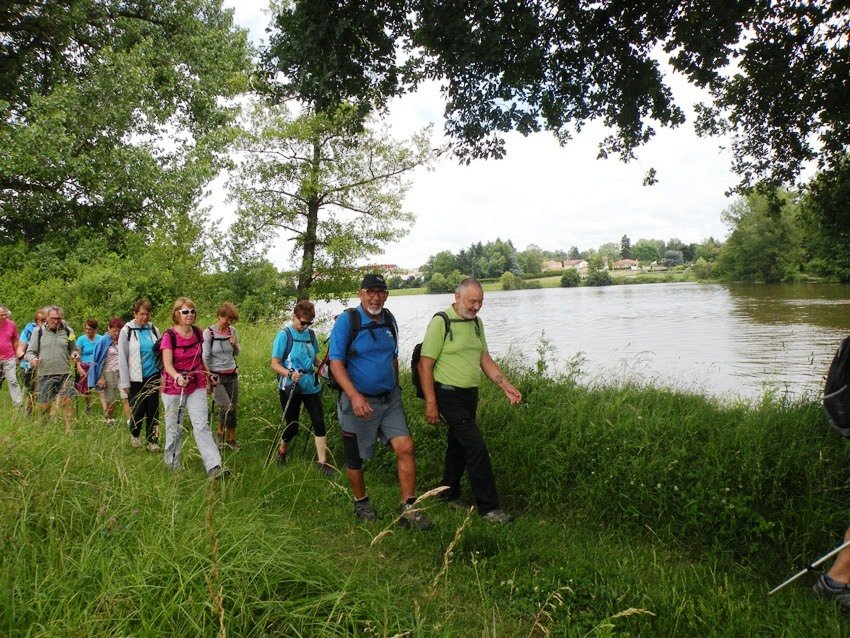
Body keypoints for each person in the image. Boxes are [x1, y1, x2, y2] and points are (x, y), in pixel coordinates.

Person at [328, 273, 431, 528]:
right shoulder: (347, 321)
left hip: (389, 399)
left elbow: (393, 356)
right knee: (355, 458)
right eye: (370, 291)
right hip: (357, 401)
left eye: (381, 292)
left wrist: (395, 386)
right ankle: (361, 503)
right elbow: (336, 362)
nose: (375, 297)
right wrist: (354, 395)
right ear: (360, 294)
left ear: (386, 294)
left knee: (405, 447)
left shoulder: (389, 319)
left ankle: (409, 507)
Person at [417, 277, 522, 524]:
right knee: (476, 447)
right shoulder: (441, 322)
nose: (475, 306)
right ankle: (490, 509)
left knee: (458, 445)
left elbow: (484, 358)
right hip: (447, 393)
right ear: (457, 297)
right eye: (471, 301)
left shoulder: (476, 324)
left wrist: (506, 387)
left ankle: (448, 494)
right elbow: (425, 365)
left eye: (480, 302)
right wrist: (431, 402)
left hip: (469, 394)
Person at [160, 297, 228, 479]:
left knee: (202, 425)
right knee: (174, 427)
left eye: (192, 311)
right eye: (185, 311)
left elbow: (200, 359)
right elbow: (167, 364)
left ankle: (214, 467)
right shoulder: (169, 336)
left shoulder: (198, 332)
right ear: (176, 314)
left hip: (196, 383)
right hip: (173, 387)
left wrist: (208, 375)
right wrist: (177, 377)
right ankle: (172, 466)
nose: (189, 315)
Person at [271, 300, 335, 475]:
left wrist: (326, 371)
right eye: (302, 322)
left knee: (319, 422)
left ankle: (322, 464)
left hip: (310, 384)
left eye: (308, 323)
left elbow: (314, 359)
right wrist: (289, 373)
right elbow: (275, 364)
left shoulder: (311, 335)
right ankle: (282, 450)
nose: (304, 326)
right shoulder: (284, 335)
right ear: (294, 317)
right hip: (290, 385)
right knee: (293, 426)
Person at [24, 305, 79, 432]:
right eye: (53, 318)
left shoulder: (67, 331)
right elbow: (29, 352)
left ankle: (69, 430)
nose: (56, 321)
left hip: (65, 373)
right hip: (45, 374)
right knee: (44, 406)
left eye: (59, 318)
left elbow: (73, 349)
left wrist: (75, 355)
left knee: (67, 401)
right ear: (47, 318)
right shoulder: (39, 332)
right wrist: (33, 359)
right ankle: (43, 429)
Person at [118, 299, 161, 451]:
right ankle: (135, 435)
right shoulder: (126, 331)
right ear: (135, 313)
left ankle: (152, 441)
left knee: (153, 409)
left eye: (147, 314)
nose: (145, 317)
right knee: (138, 409)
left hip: (153, 375)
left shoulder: (154, 330)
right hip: (134, 378)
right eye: (142, 314)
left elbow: (160, 352)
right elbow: (122, 357)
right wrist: (124, 383)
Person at [202, 303, 241, 451]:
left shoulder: (232, 331)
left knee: (233, 408)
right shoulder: (209, 333)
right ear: (219, 316)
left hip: (231, 374)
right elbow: (204, 357)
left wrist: (234, 344)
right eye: (227, 318)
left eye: (232, 319)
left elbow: (236, 352)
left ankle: (231, 439)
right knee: (226, 406)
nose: (229, 322)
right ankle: (219, 433)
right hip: (216, 376)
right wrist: (208, 380)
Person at [88, 317, 128, 426]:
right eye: (114, 330)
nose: (117, 333)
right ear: (109, 329)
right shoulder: (103, 341)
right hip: (109, 372)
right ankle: (110, 420)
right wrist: (100, 377)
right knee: (110, 399)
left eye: (119, 330)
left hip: (123, 372)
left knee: (126, 397)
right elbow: (98, 360)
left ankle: (130, 423)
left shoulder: (124, 340)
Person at [16, 309, 46, 414]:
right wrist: (29, 359)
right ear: (36, 321)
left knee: (44, 391)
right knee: (31, 391)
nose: (42, 323)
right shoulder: (28, 331)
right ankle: (27, 411)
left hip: (46, 366)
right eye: (40, 320)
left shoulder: (51, 332)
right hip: (29, 366)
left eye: (44, 320)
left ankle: (46, 415)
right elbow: (20, 349)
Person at [75, 318, 102, 414]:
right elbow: (77, 354)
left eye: (90, 329)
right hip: (85, 365)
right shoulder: (81, 339)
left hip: (97, 365)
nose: (87, 331)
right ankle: (88, 405)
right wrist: (79, 366)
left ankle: (106, 409)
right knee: (86, 389)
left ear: (95, 330)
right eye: (86, 329)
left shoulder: (100, 339)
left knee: (101, 388)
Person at [0, 305, 22, 409]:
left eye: (5, 314)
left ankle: (18, 405)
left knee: (13, 380)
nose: (4, 317)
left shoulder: (11, 325)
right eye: (1, 315)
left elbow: (15, 340)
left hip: (9, 358)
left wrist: (16, 355)